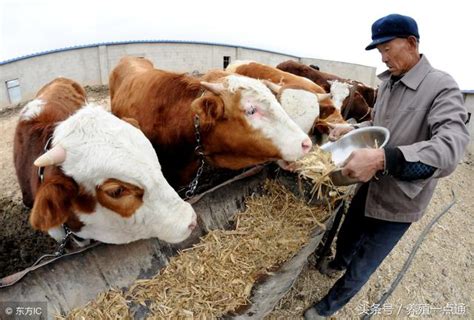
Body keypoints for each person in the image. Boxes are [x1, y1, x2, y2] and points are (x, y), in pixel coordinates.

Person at [304, 13, 470, 319]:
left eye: (387, 49)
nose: (383, 58)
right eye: (379, 52)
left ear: (411, 43)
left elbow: (450, 148)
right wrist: (352, 130)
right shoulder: (389, 84)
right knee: (349, 234)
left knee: (366, 261)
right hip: (369, 184)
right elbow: (380, 125)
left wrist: (383, 158)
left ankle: (329, 306)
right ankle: (338, 261)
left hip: (402, 199)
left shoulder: (441, 86)